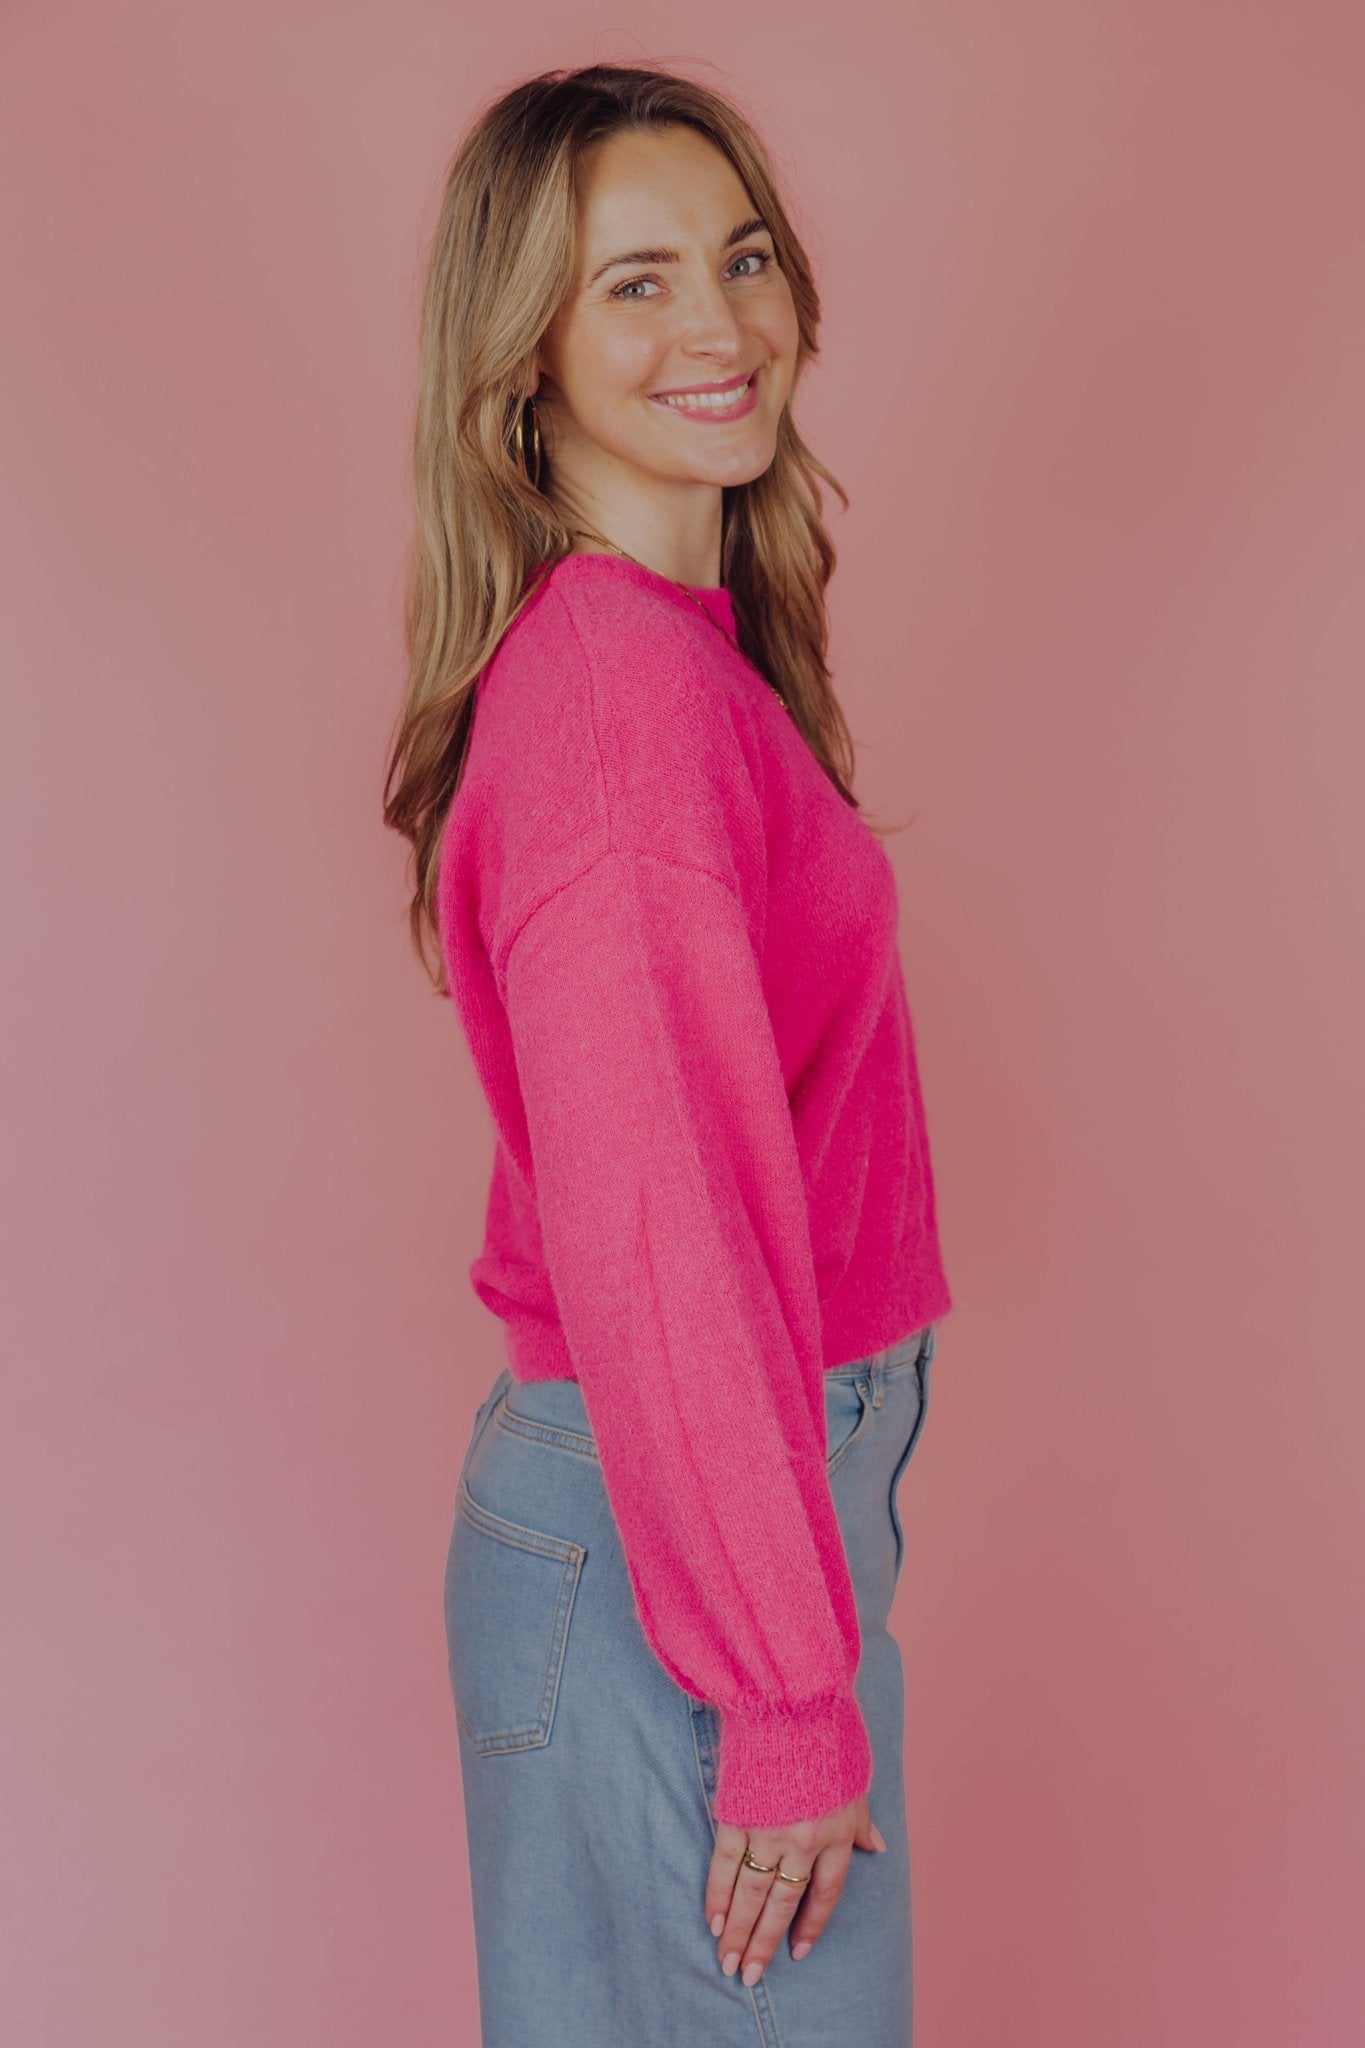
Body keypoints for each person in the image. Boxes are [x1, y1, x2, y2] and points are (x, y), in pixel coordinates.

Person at [382, 61, 953, 2048]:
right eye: (633, 284)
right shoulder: (618, 711)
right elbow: (661, 1235)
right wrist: (782, 1698)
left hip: (707, 1527)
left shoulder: (665, 656)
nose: (720, 323)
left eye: (740, 257)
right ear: (521, 355)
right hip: (683, 1551)